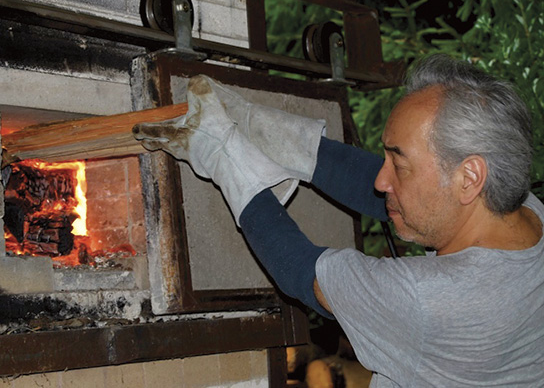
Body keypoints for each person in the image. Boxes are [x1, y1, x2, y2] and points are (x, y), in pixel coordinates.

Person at [133, 54, 544, 387]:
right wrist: (256, 125)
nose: (382, 180)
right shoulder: (524, 209)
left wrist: (222, 155)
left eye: (399, 165)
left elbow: (303, 271)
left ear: (469, 177)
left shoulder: (428, 301)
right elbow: (400, 192)